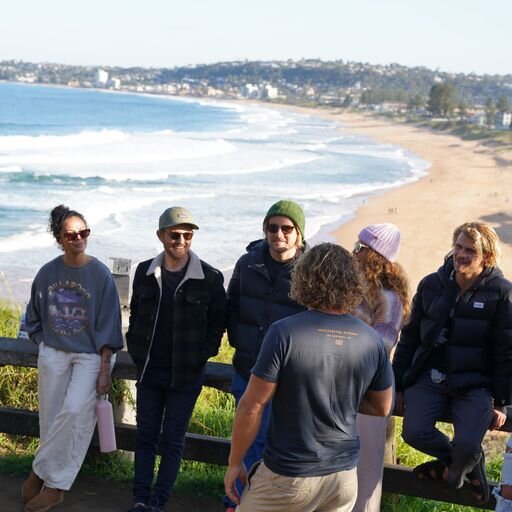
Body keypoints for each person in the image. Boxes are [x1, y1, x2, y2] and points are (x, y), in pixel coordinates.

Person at [224, 243, 394, 512]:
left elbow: (252, 405)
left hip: (289, 473)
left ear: (304, 279)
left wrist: (235, 463)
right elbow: (383, 405)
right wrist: (339, 400)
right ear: (352, 281)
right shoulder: (370, 338)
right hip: (343, 476)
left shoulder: (285, 333)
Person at [393, 221, 512, 505]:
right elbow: (409, 338)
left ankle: (455, 473)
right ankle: (470, 464)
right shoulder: (432, 284)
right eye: (458, 246)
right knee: (414, 431)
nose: (461, 254)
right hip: (428, 378)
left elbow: (506, 351)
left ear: (487, 257)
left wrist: (501, 402)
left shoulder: (501, 292)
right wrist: (397, 386)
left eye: (470, 250)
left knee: (469, 445)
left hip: (475, 385)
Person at [23, 205, 124, 512]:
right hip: (54, 352)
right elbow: (33, 317)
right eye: (71, 234)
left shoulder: (100, 275)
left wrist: (105, 369)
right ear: (60, 238)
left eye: (84, 232)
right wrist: (45, 344)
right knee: (51, 418)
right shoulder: (48, 273)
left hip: (91, 355)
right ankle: (48, 479)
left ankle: (49, 480)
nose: (79, 238)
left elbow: (110, 324)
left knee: (73, 413)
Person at [125, 206, 226, 512]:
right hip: (150, 372)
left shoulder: (209, 277)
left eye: (187, 235)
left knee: (173, 440)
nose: (181, 240)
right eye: (174, 235)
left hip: (186, 374)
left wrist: (201, 354)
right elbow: (137, 315)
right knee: (144, 437)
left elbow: (218, 323)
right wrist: (137, 352)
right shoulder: (144, 272)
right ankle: (141, 500)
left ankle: (159, 502)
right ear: (161, 236)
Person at [224, 199, 307, 511]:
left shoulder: (309, 270)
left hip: (287, 377)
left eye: (287, 228)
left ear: (299, 234)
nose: (279, 234)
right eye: (273, 228)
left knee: (271, 444)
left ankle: (252, 502)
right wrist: (239, 341)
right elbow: (232, 305)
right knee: (245, 440)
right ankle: (238, 502)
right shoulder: (249, 263)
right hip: (247, 367)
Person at [351, 223, 410, 512]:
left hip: (371, 388)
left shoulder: (389, 297)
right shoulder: (355, 287)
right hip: (344, 385)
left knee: (366, 468)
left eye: (360, 248)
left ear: (375, 255)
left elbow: (382, 344)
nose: (354, 252)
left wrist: (340, 343)